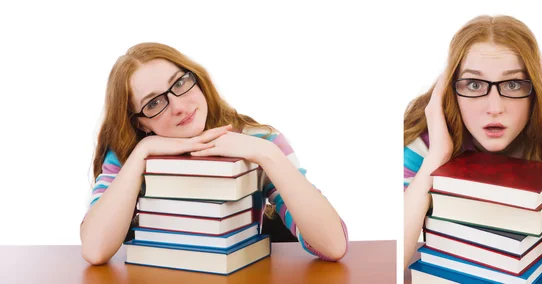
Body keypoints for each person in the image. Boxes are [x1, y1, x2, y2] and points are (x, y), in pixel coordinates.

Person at [80, 42, 348, 265]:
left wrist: (268, 154)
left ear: (197, 78)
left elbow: (333, 245)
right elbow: (94, 250)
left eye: (181, 83)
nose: (179, 107)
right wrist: (142, 153)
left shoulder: (259, 141)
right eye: (154, 103)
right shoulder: (128, 156)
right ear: (140, 122)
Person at [403, 15, 542, 270]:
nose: (494, 108)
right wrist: (436, 159)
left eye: (513, 84)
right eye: (474, 84)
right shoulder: (428, 140)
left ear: (538, 90)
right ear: (450, 89)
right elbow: (393, 264)